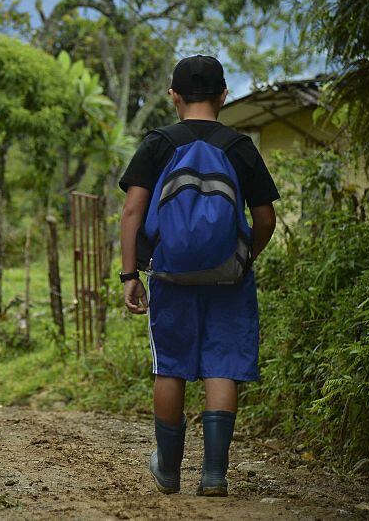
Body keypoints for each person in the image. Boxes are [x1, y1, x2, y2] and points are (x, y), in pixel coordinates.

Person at [117, 55, 279, 496]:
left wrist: (130, 274)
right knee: (222, 366)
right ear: (224, 95)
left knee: (169, 366)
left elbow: (132, 212)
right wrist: (244, 258)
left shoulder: (157, 144)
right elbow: (265, 218)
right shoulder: (239, 146)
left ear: (173, 96)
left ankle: (168, 470)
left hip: (170, 276)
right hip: (229, 277)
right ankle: (213, 475)